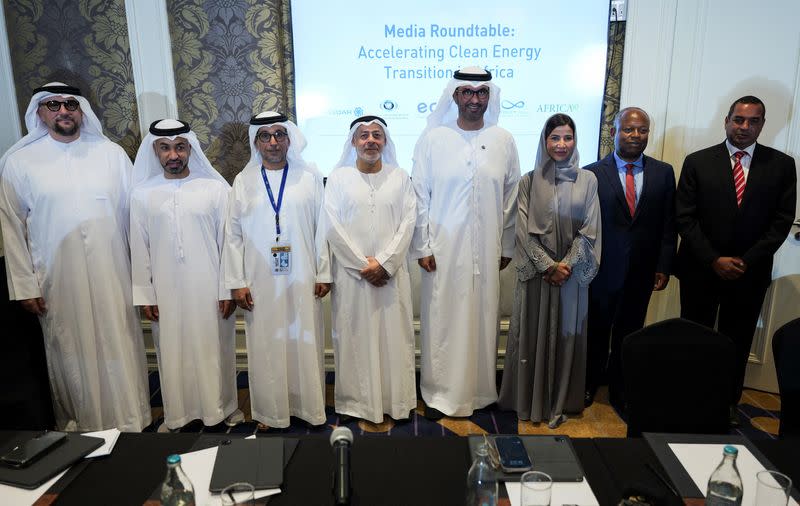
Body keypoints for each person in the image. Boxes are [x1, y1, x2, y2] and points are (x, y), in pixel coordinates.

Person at [0, 82, 151, 431]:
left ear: (81, 109)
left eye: (70, 103)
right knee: (70, 350)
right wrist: (25, 286)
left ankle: (132, 420)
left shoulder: (111, 155)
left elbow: (134, 218)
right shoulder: (20, 163)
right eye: (53, 105)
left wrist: (143, 279)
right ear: (39, 112)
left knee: (121, 343)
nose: (63, 111)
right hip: (55, 278)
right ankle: (79, 425)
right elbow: (12, 228)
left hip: (113, 272)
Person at [675, 96, 796, 425]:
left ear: (762, 125)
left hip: (749, 273)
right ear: (726, 120)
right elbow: (685, 217)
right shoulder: (698, 161)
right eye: (738, 120)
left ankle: (727, 403)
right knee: (695, 336)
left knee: (737, 340)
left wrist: (744, 261)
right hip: (701, 269)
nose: (744, 127)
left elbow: (781, 222)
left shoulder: (782, 166)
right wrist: (714, 259)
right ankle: (690, 398)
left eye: (752, 121)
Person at [410, 66, 520, 420]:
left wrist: (505, 247)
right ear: (455, 96)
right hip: (443, 251)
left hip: (487, 250)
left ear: (490, 96)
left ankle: (480, 392)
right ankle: (441, 393)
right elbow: (420, 197)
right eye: (467, 93)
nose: (475, 100)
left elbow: (510, 197)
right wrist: (422, 246)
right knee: (443, 320)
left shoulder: (503, 139)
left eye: (482, 93)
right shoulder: (433, 139)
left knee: (484, 317)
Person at [130, 119, 243, 432]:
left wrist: (227, 289)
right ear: (156, 151)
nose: (173, 154)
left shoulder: (217, 189)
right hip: (165, 289)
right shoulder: (141, 194)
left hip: (210, 285)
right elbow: (139, 248)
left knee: (216, 347)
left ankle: (224, 407)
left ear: (190, 148)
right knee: (171, 349)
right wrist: (145, 293)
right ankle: (177, 414)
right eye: (165, 148)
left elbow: (229, 244)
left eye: (180, 147)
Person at [223, 111, 331, 429]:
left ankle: (309, 408)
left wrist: (324, 272)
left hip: (303, 274)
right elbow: (232, 235)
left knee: (304, 340)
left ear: (289, 139)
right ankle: (271, 412)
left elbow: (322, 229)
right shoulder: (243, 182)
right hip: (259, 279)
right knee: (266, 342)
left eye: (279, 135)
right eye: (265, 136)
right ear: (256, 142)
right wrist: (237, 282)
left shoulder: (308, 178)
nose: (273, 142)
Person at [498, 114, 601, 428]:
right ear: (545, 142)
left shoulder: (588, 180)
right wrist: (547, 266)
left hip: (570, 277)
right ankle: (530, 401)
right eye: (554, 138)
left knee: (566, 337)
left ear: (574, 141)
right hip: (538, 277)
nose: (561, 144)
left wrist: (565, 265)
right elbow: (522, 231)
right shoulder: (529, 180)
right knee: (531, 337)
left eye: (567, 137)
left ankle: (560, 400)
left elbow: (590, 229)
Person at [322, 115, 417, 424]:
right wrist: (363, 266)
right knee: (355, 339)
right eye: (364, 136)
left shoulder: (400, 177)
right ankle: (358, 404)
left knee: (394, 339)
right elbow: (332, 226)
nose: (371, 141)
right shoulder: (337, 179)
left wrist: (386, 264)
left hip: (391, 278)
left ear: (385, 141)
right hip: (353, 279)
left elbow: (408, 223)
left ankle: (395, 402)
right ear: (353, 142)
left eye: (377, 135)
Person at [584, 107, 677, 410]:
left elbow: (668, 224)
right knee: (597, 331)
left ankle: (620, 389)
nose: (636, 136)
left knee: (630, 331)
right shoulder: (592, 173)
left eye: (642, 130)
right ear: (614, 132)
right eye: (629, 129)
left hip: (642, 270)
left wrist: (664, 266)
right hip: (601, 270)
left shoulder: (663, 172)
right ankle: (588, 385)